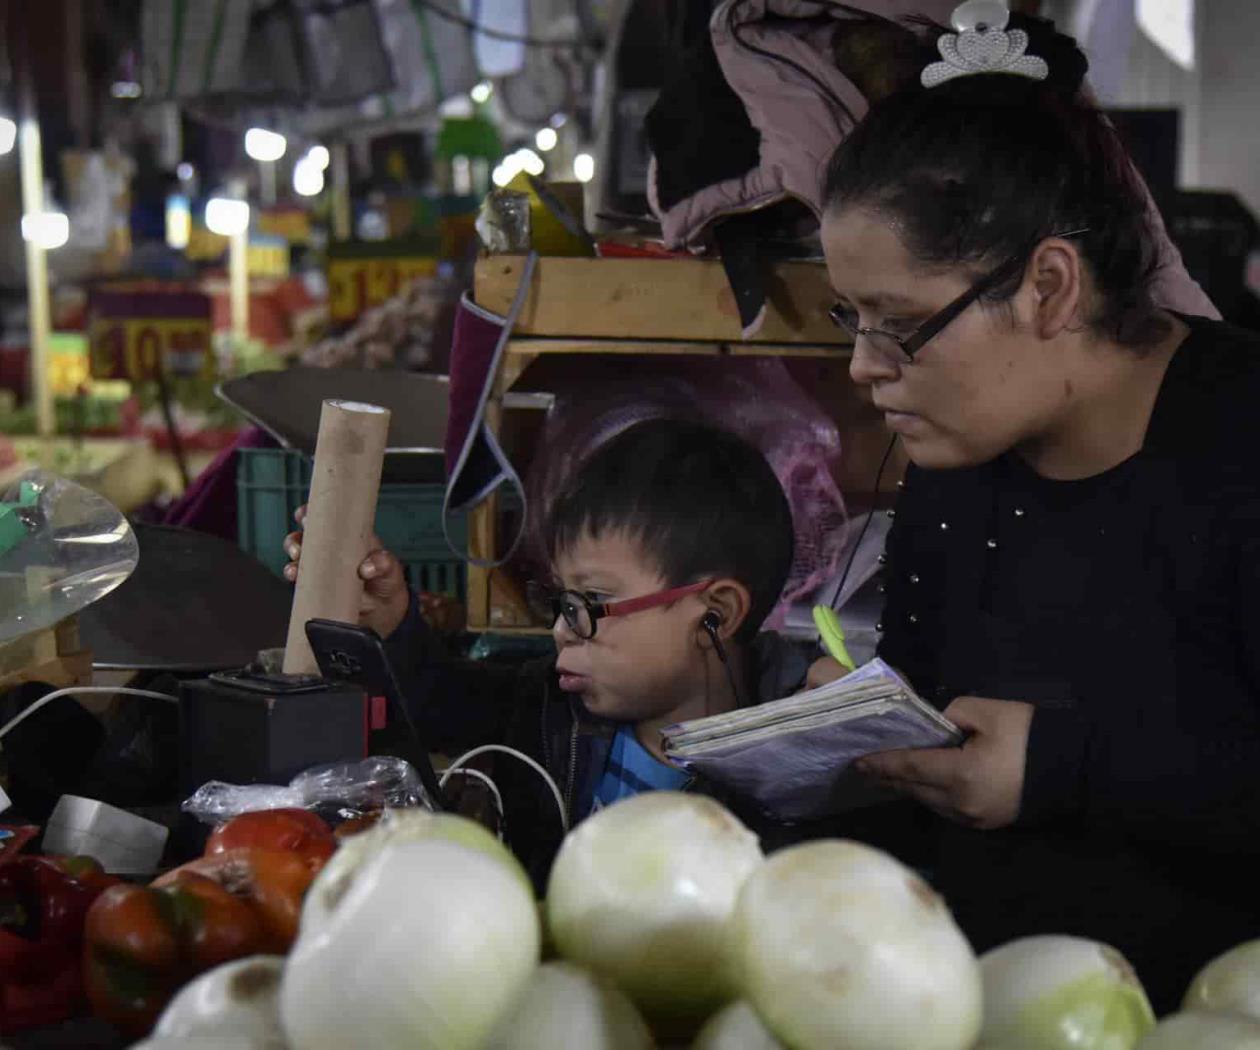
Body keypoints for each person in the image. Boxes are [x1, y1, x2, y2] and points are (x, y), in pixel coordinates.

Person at [809, 6, 1260, 1012]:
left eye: (903, 325)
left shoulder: (1239, 443)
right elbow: (944, 710)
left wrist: (1062, 765)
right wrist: (852, 722)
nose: (863, 367)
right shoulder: (961, 459)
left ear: (1050, 286)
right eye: (852, 318)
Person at [285, 418, 810, 887]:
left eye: (592, 601)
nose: (562, 630)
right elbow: (439, 704)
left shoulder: (797, 767)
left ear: (715, 613)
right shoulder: (547, 706)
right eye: (561, 601)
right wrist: (391, 622)